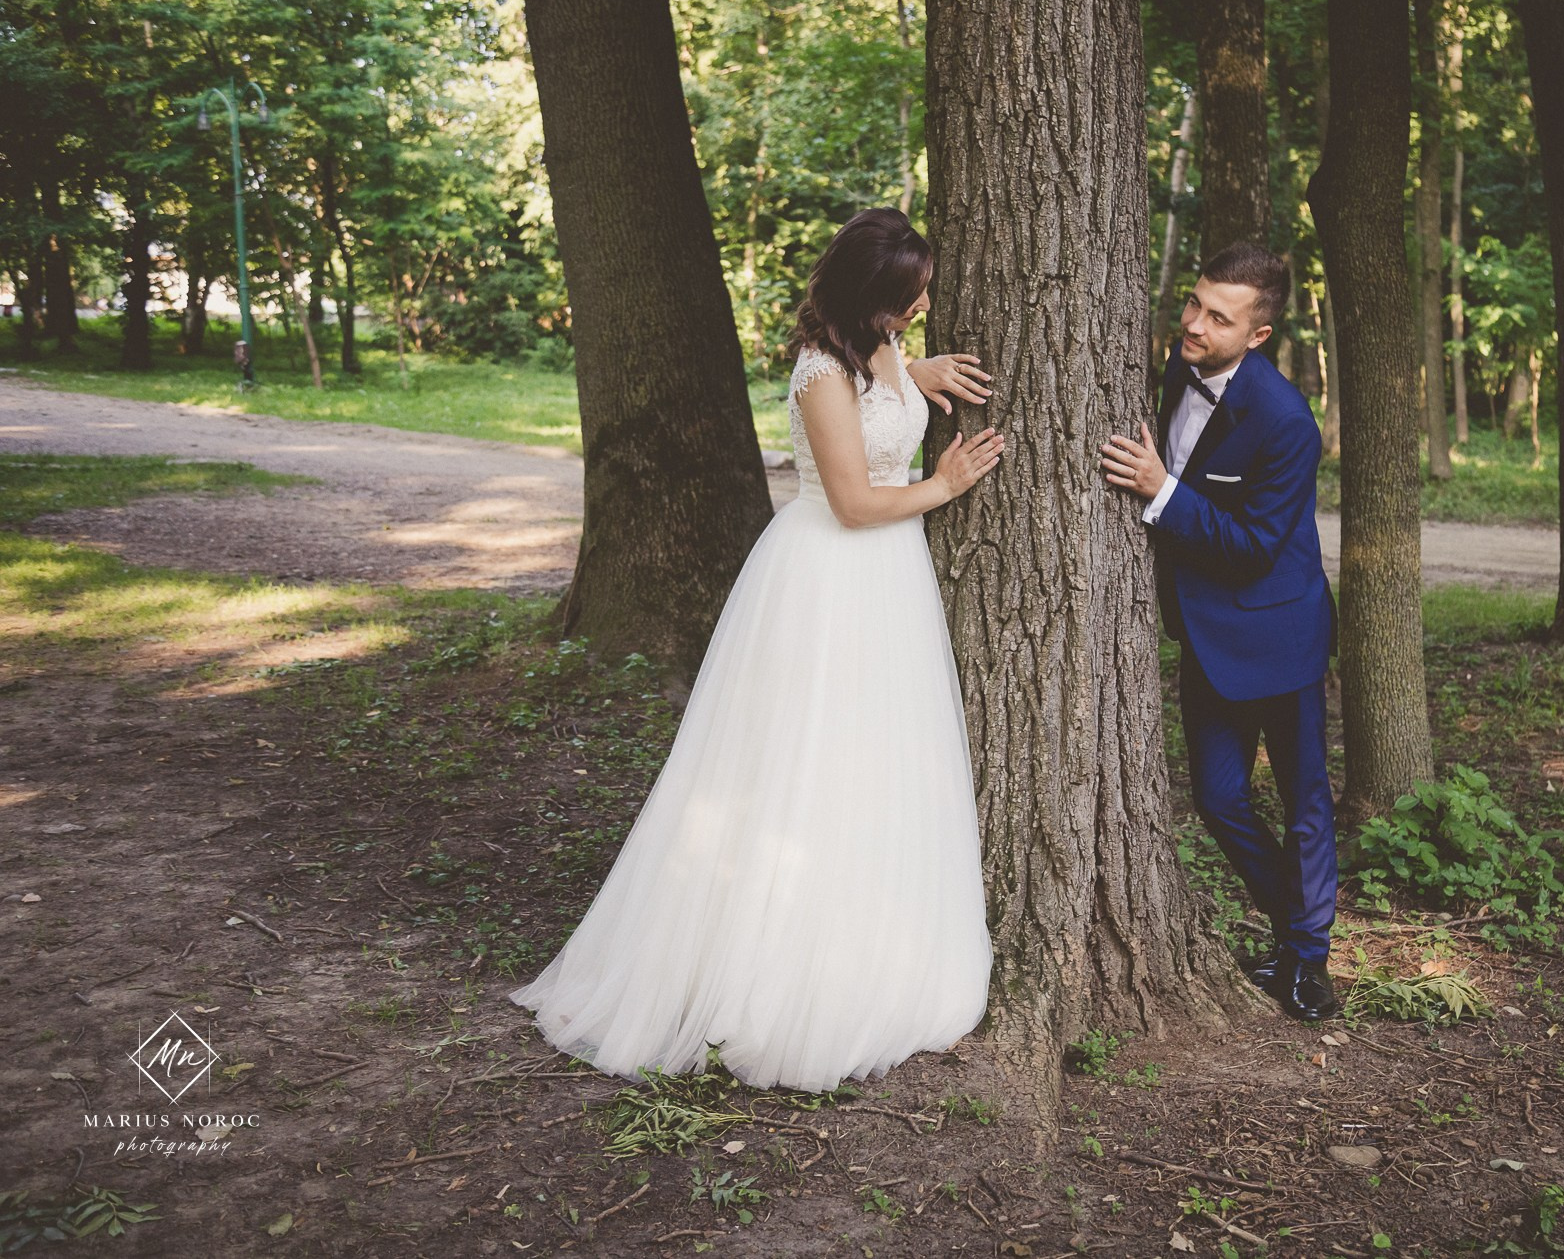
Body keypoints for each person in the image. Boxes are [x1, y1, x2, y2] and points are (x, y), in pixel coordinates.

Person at [510, 209, 1006, 1090]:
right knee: (803, 761)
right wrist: (944, 481)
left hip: (890, 582)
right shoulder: (820, 371)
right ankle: (779, 964)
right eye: (909, 295)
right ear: (867, 298)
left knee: (879, 761)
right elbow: (853, 501)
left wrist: (913, 372)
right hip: (833, 573)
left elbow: (884, 389)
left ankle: (874, 935)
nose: (925, 301)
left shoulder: (881, 343)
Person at [1097, 242, 1340, 1022]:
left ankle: (1308, 961)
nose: (1194, 324)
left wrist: (1159, 489)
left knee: (1304, 802)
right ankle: (1290, 921)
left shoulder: (1286, 421)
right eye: (1195, 304)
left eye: (1217, 317)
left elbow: (1253, 546)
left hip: (1282, 634)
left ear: (1259, 336)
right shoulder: (1180, 363)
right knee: (1218, 798)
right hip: (1206, 634)